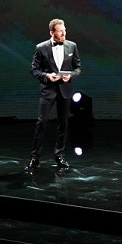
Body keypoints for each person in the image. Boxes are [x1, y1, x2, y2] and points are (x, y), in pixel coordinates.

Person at [29, 17, 81, 174]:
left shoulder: (72, 46)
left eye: (65, 30)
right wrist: (47, 76)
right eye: (60, 31)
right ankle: (35, 158)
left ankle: (59, 155)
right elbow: (34, 70)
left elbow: (78, 67)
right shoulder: (41, 48)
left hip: (65, 90)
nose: (64, 33)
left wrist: (70, 75)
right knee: (42, 123)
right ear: (52, 32)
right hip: (48, 90)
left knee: (63, 123)